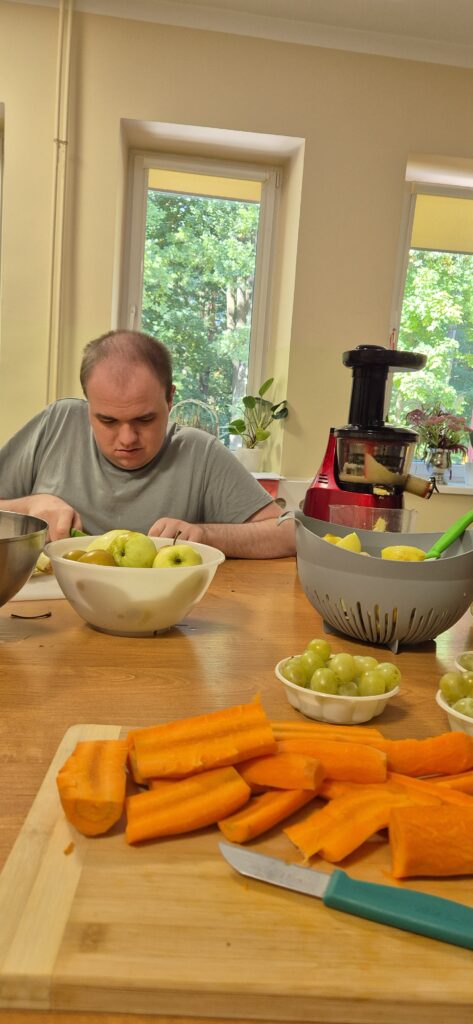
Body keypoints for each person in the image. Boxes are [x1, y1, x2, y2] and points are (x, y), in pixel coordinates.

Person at [0, 330, 295, 558]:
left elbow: (289, 534)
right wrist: (28, 506)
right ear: (88, 404)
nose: (127, 438)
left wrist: (204, 536)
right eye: (108, 420)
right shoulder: (57, 423)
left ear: (170, 399)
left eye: (144, 419)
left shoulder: (200, 453)